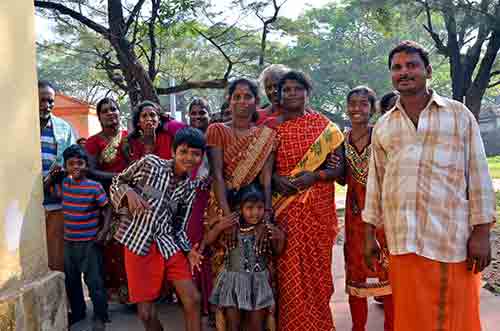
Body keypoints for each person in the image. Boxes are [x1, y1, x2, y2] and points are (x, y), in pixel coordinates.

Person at [362, 40, 496, 331]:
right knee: (412, 318)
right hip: (403, 238)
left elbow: (478, 174)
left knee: (457, 317)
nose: (404, 72)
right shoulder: (384, 125)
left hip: (450, 237)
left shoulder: (458, 115)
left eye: (411, 65)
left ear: (428, 71)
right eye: (397, 68)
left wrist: (482, 232)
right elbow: (377, 181)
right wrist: (369, 232)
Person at [110, 127, 207, 331]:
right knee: (146, 314)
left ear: (201, 157)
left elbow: (179, 227)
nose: (189, 157)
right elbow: (118, 181)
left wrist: (188, 250)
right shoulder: (150, 163)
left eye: (195, 153)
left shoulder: (190, 189)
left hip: (168, 242)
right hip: (138, 241)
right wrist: (128, 192)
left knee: (193, 298)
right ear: (173, 152)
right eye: (183, 151)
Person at [271, 70, 344, 331]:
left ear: (307, 92)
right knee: (289, 274)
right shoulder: (272, 129)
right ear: (278, 95)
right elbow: (264, 171)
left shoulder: (326, 128)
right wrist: (276, 180)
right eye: (286, 89)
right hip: (285, 212)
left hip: (318, 212)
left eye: (297, 88)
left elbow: (340, 170)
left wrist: (315, 176)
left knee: (317, 276)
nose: (291, 93)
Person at [205, 78, 277, 331]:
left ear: (256, 102)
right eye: (237, 97)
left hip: (254, 210)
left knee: (257, 275)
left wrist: (265, 217)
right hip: (224, 209)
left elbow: (266, 181)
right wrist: (228, 220)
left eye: (248, 97)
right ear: (230, 100)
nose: (243, 102)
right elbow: (217, 175)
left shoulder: (266, 137)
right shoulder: (217, 130)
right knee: (228, 280)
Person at [341, 86, 393, 331]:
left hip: (382, 216)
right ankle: (357, 327)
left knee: (387, 273)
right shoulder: (342, 139)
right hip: (353, 219)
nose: (356, 108)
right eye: (352, 103)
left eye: (363, 104)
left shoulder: (381, 135)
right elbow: (342, 177)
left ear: (372, 109)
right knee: (356, 274)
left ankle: (392, 326)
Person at [47, 144, 111, 331]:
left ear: (86, 165)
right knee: (72, 280)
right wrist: (52, 176)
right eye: (71, 163)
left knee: (94, 281)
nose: (76, 167)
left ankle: (101, 315)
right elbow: (48, 189)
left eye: (80, 163)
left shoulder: (94, 186)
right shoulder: (65, 184)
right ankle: (78, 312)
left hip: (90, 242)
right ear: (66, 166)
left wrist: (104, 231)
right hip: (69, 242)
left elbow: (106, 208)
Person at [208, 185, 285, 331]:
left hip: (259, 284)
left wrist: (280, 237)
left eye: (260, 207)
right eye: (249, 208)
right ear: (239, 209)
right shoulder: (231, 229)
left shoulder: (266, 230)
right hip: (233, 283)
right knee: (233, 325)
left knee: (256, 326)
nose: (255, 213)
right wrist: (218, 228)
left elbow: (277, 252)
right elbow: (208, 241)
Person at [85, 97, 130, 303]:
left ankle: (132, 292)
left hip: (130, 198)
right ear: (100, 116)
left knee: (128, 244)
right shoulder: (94, 142)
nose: (111, 113)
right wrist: (117, 177)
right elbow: (90, 171)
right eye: (105, 111)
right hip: (104, 200)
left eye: (114, 109)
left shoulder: (129, 137)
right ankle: (114, 292)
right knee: (110, 244)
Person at [186, 98, 213, 316]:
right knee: (196, 248)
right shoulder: (187, 140)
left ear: (209, 114)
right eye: (193, 113)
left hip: (213, 201)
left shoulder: (215, 138)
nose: (197, 117)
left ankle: (215, 305)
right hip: (192, 204)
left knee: (213, 251)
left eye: (201, 112)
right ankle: (200, 304)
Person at [39, 80, 78, 203]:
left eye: (50, 101)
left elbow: (74, 160)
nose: (46, 106)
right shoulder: (21, 127)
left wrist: (61, 171)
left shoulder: (64, 128)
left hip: (57, 199)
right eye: (42, 100)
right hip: (25, 199)